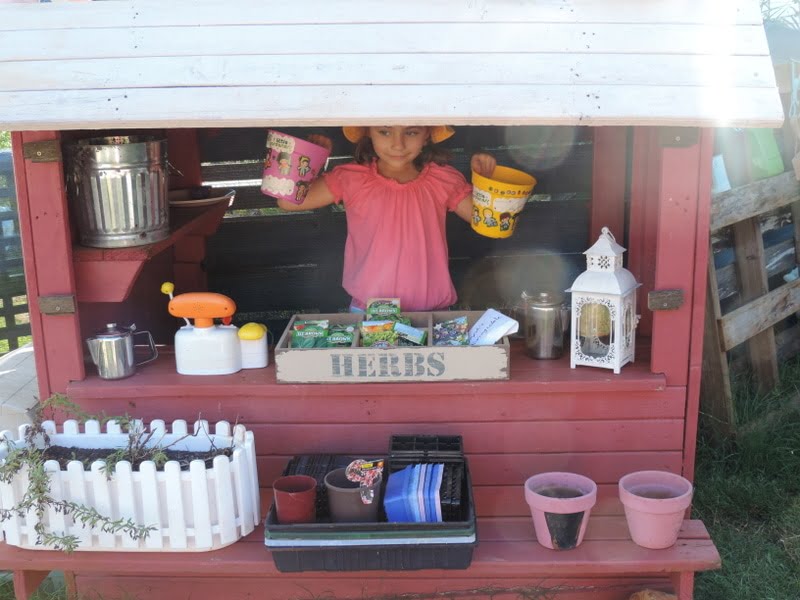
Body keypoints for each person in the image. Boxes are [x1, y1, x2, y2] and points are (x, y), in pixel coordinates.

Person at [276, 126, 496, 311]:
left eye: (411, 133)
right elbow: (287, 202)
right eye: (384, 132)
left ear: (427, 134)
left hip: (432, 314)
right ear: (369, 133)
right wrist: (309, 157)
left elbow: (487, 221)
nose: (397, 145)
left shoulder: (443, 179)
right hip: (369, 313)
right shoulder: (351, 178)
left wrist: (484, 180)